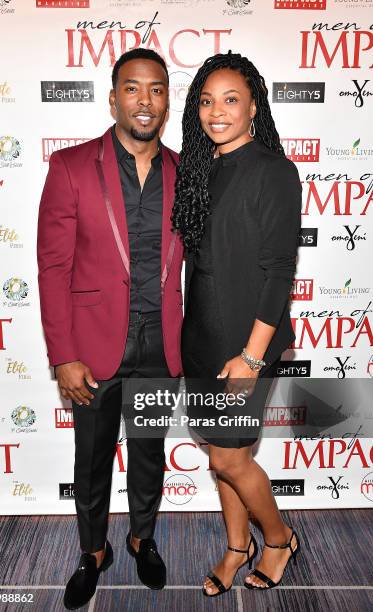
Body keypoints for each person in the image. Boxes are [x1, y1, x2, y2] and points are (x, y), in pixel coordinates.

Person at [37, 48, 184, 610]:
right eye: (132, 88)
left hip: (158, 345)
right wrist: (63, 353)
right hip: (93, 346)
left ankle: (141, 537)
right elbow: (54, 267)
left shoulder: (183, 171)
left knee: (148, 452)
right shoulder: (72, 167)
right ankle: (92, 550)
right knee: (92, 459)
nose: (144, 101)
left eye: (156, 89)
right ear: (113, 96)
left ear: (167, 100)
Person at [172, 51, 302, 596]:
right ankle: (234, 546)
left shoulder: (274, 171)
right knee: (222, 455)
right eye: (206, 101)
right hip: (201, 338)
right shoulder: (201, 168)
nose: (216, 112)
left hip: (248, 342)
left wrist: (250, 358)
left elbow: (278, 274)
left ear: (254, 106)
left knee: (228, 455)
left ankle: (277, 539)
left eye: (230, 99)